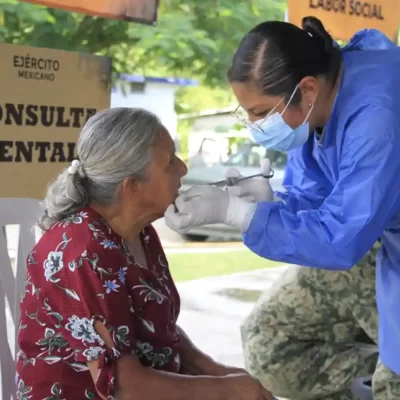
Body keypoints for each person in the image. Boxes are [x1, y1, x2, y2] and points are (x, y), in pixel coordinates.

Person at [164, 17, 400, 399]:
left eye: (261, 112)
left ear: (307, 89)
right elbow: (316, 196)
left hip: (366, 247)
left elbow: (340, 238)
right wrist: (270, 202)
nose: (255, 126)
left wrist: (237, 214)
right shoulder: (322, 103)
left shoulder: (378, 113)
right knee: (269, 341)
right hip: (383, 250)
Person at [16, 107, 273, 400]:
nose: (183, 168)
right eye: (169, 163)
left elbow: (158, 329)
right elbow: (124, 386)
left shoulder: (140, 233)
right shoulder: (82, 252)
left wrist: (217, 371)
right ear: (132, 186)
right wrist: (225, 390)